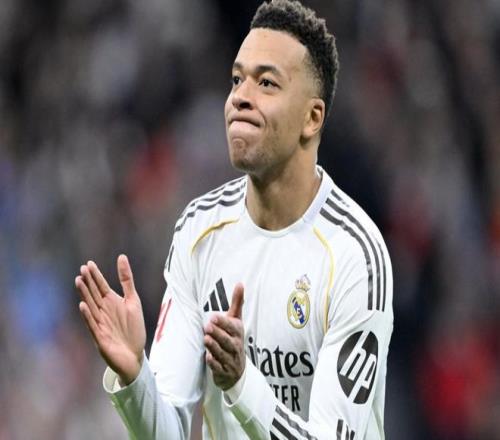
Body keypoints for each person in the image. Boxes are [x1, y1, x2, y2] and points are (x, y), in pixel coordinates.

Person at [75, 1, 394, 438]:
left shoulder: (354, 256)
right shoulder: (199, 232)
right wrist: (134, 379)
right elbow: (166, 431)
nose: (240, 97)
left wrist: (243, 385)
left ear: (312, 118)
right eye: (236, 79)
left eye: (266, 83)